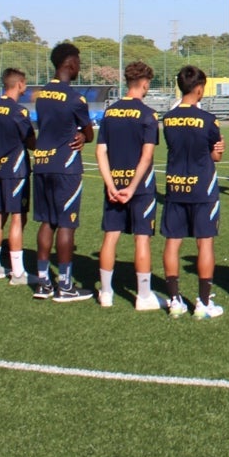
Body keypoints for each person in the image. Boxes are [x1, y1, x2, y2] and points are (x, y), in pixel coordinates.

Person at [32, 42, 95, 302]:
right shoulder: (74, 98)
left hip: (42, 163)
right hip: (65, 167)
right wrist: (82, 135)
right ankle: (66, 285)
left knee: (47, 221)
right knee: (67, 224)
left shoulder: (42, 94)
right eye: (78, 62)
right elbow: (89, 133)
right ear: (69, 64)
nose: (80, 67)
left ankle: (42, 282)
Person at [161, 65, 226, 319]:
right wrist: (217, 147)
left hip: (176, 186)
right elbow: (216, 156)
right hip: (202, 188)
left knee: (172, 242)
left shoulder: (168, 118)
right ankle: (203, 302)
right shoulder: (209, 120)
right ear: (199, 89)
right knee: (205, 242)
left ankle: (175, 300)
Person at [95, 61, 161, 310]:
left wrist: (111, 184)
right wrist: (132, 186)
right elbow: (146, 156)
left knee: (110, 237)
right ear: (144, 83)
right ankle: (143, 295)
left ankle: (106, 292)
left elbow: (101, 151)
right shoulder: (147, 114)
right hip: (140, 188)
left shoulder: (110, 113)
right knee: (141, 239)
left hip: (114, 185)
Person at [0, 68, 36, 284]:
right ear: (19, 84)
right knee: (17, 216)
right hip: (17, 169)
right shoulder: (18, 111)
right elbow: (31, 142)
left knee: (1, 215)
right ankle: (17, 273)